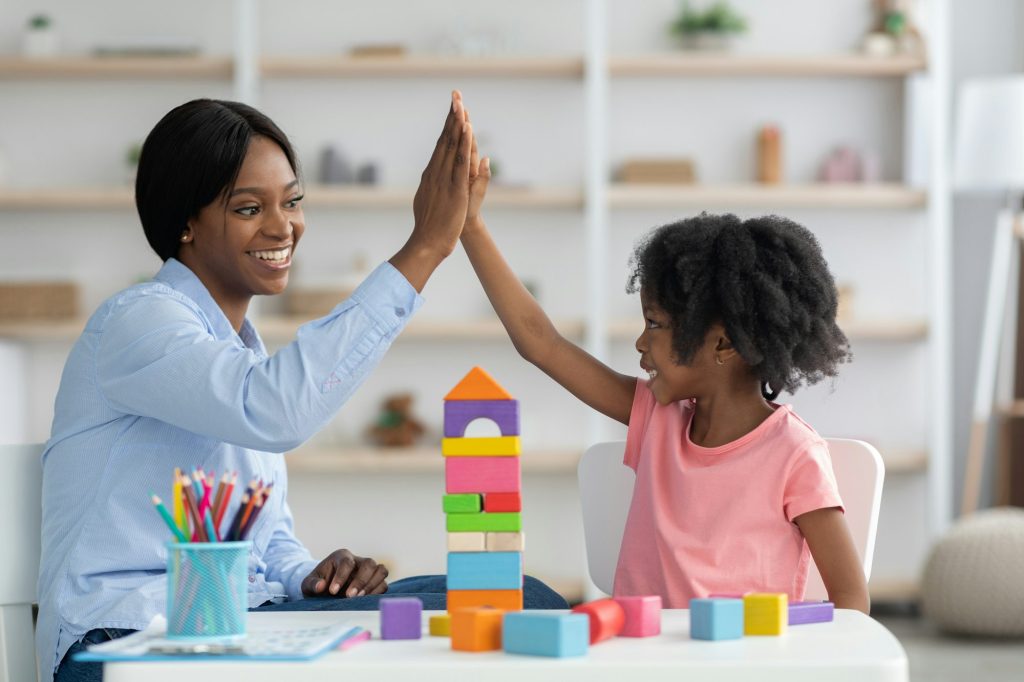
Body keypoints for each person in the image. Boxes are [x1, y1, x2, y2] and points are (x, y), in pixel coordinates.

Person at [39, 93, 566, 682]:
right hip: (127, 639)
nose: (282, 225)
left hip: (242, 621)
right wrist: (424, 248)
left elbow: (267, 539)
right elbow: (274, 411)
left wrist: (314, 574)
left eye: (292, 201)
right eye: (247, 208)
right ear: (185, 222)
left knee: (522, 599)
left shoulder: (241, 350)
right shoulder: (139, 321)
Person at [460, 146, 870, 613]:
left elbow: (852, 600)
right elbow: (542, 343)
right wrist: (470, 227)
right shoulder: (658, 419)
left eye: (654, 324)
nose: (640, 343)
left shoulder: (795, 455)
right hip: (643, 658)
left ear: (722, 344)